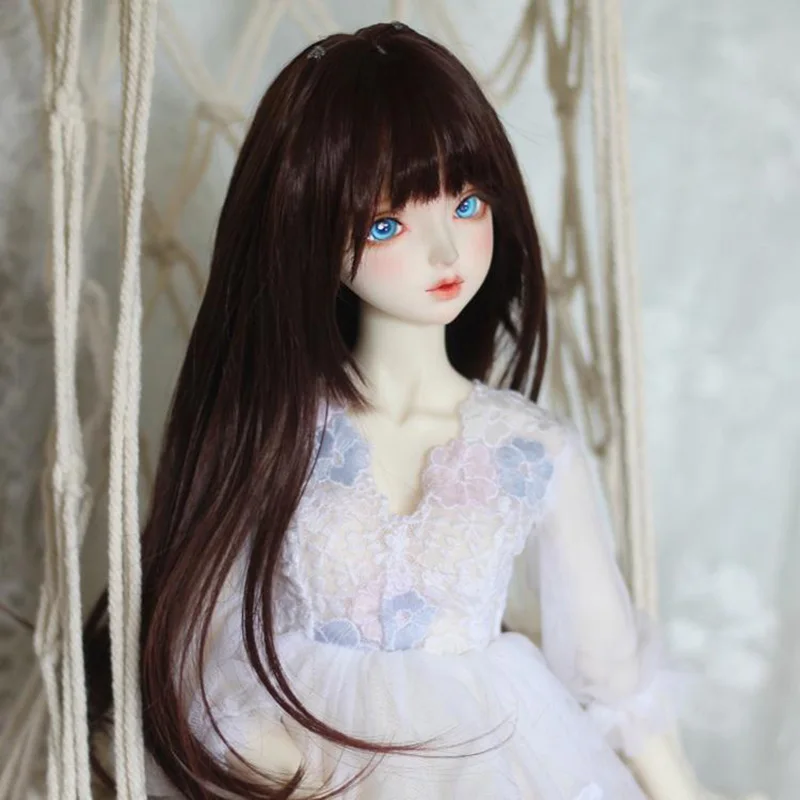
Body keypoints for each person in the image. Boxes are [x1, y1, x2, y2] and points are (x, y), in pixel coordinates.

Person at [85, 21, 696, 800]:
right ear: (309, 232)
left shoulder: (530, 448)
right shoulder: (284, 430)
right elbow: (206, 626)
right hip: (305, 749)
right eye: (387, 223)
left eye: (467, 203)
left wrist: (682, 789)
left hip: (494, 755)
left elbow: (608, 663)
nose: (445, 251)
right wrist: (260, 754)